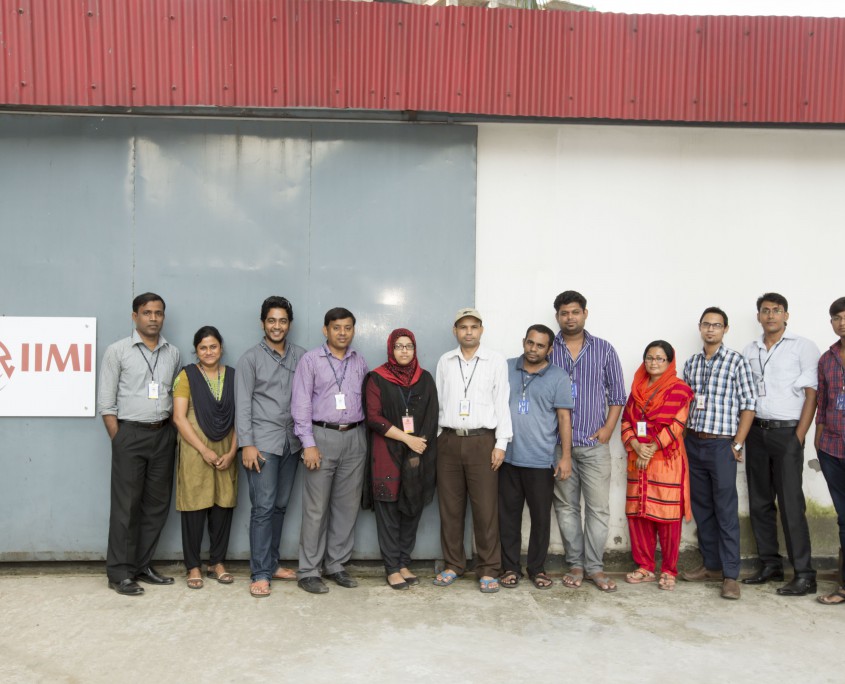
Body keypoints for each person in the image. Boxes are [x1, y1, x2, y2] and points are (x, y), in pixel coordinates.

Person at [97, 292, 181, 596]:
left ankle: (141, 566)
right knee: (126, 507)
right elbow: (106, 403)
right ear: (135, 316)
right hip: (130, 435)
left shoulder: (173, 353)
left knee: (157, 506)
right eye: (147, 313)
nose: (153, 318)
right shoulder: (117, 351)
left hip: (163, 434)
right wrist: (119, 438)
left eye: (158, 313)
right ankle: (119, 573)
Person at [742, 293, 820, 596]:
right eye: (765, 310)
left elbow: (812, 394)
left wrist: (798, 437)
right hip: (756, 432)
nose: (771, 315)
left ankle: (805, 574)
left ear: (786, 315)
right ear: (758, 316)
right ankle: (770, 565)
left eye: (777, 310)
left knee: (790, 504)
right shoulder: (750, 349)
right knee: (760, 502)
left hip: (787, 433)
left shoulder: (803, 347)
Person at [550, 290, 626, 592]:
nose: (570, 317)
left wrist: (608, 428)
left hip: (595, 445)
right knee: (567, 508)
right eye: (564, 313)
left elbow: (617, 394)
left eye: (575, 312)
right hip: (559, 446)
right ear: (557, 316)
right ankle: (575, 564)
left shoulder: (604, 349)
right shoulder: (548, 349)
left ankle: (595, 567)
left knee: (598, 509)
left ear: (585, 314)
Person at [434, 307, 511, 594]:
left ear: (481, 330)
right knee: (450, 508)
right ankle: (454, 564)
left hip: (482, 441)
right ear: (455, 331)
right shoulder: (445, 361)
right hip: (449, 440)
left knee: (485, 509)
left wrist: (501, 443)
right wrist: (439, 439)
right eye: (463, 327)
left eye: (474, 327)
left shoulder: (495, 361)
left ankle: (489, 568)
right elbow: (439, 401)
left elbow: (502, 402)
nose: (468, 332)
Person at [291, 307, 369, 594]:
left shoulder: (359, 361)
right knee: (316, 509)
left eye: (348, 327)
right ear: (326, 330)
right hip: (321, 437)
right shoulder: (311, 360)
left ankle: (336, 564)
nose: (342, 333)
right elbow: (300, 403)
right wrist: (308, 443)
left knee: (347, 507)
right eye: (337, 327)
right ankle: (309, 571)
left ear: (353, 330)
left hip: (355, 437)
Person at [681, 307, 756, 600]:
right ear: (700, 327)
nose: (711, 329)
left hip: (722, 445)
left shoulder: (736, 361)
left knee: (725, 510)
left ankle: (730, 575)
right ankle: (711, 565)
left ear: (725, 329)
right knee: (702, 508)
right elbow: (685, 404)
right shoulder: (691, 363)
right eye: (706, 324)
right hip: (694, 442)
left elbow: (748, 405)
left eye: (717, 325)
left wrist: (737, 444)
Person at [236, 296, 306, 598]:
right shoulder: (250, 359)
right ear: (263, 323)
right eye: (272, 320)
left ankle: (272, 563)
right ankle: (260, 573)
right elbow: (242, 405)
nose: (277, 326)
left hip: (292, 443)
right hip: (262, 444)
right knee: (263, 508)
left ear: (289, 324)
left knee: (280, 506)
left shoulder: (301, 357)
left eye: (283, 321)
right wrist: (247, 445)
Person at [499, 325, 574, 591]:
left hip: (541, 460)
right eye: (530, 343)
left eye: (540, 345)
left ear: (550, 349)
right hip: (507, 458)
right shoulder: (505, 367)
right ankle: (510, 567)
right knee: (507, 517)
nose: (533, 349)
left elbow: (564, 417)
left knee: (541, 519)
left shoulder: (558, 376)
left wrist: (566, 456)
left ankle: (537, 568)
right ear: (524, 341)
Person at [364, 328, 439, 590]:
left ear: (415, 349)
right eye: (398, 346)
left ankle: (404, 562)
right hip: (386, 452)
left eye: (409, 346)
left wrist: (418, 446)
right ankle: (392, 568)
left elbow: (432, 416)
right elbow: (374, 418)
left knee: (412, 508)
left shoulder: (425, 378)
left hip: (418, 454)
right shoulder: (376, 378)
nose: (404, 351)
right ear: (391, 349)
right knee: (388, 512)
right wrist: (408, 440)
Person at [621, 341, 694, 592]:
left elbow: (677, 425)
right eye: (649, 358)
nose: (654, 363)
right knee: (639, 514)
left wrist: (650, 448)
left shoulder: (679, 389)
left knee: (667, 517)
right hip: (638, 460)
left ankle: (669, 570)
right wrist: (636, 445)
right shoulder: (637, 389)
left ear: (670, 362)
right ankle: (645, 567)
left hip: (666, 460)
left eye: (660, 358)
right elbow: (626, 421)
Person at [172, 326, 238, 590]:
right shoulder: (186, 376)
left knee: (223, 505)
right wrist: (204, 450)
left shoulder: (233, 376)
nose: (209, 352)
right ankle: (193, 566)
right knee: (194, 507)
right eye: (203, 347)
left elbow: (242, 417)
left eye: (213, 346)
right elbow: (179, 418)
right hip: (195, 449)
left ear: (221, 348)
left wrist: (232, 452)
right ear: (196, 350)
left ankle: (217, 562)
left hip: (226, 448)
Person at [816, 297, 845, 605]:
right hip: (833, 448)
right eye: (837, 318)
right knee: (843, 517)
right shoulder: (827, 359)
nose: (842, 322)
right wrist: (819, 438)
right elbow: (822, 402)